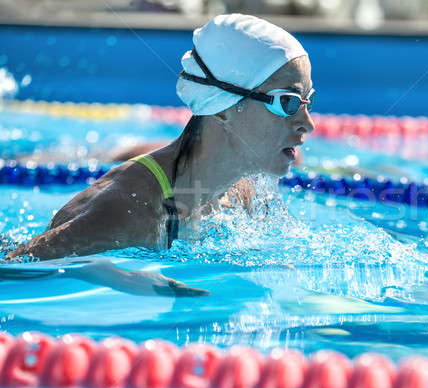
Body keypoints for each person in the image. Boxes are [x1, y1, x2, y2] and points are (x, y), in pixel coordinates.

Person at [5, 14, 315, 296]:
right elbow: (13, 268)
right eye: (287, 102)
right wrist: (111, 276)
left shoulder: (244, 194)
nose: (307, 124)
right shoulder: (129, 212)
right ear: (222, 108)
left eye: (307, 102)